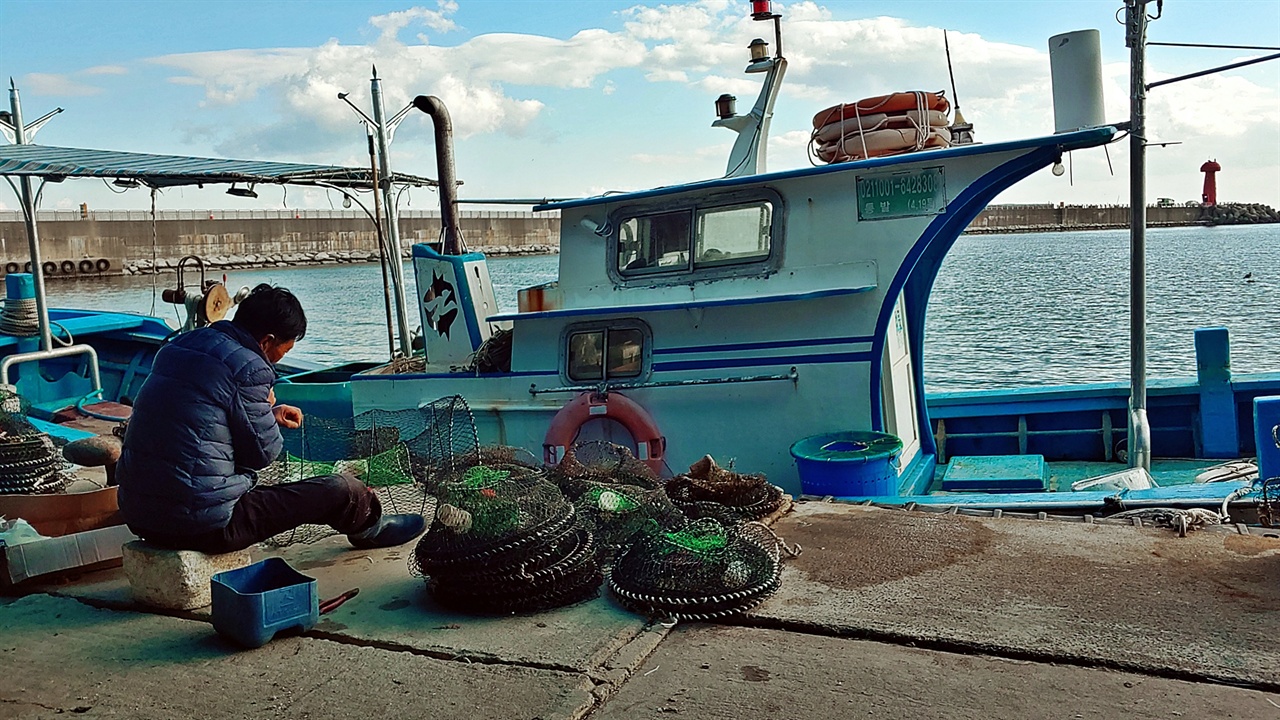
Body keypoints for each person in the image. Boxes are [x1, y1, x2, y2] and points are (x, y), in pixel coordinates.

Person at [116, 284, 425, 554]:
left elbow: (203, 425)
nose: (281, 359)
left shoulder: (180, 347)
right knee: (340, 488)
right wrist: (265, 407)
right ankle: (369, 527)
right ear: (266, 341)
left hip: (140, 515)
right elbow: (263, 455)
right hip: (203, 524)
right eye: (284, 350)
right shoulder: (250, 367)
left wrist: (268, 415)